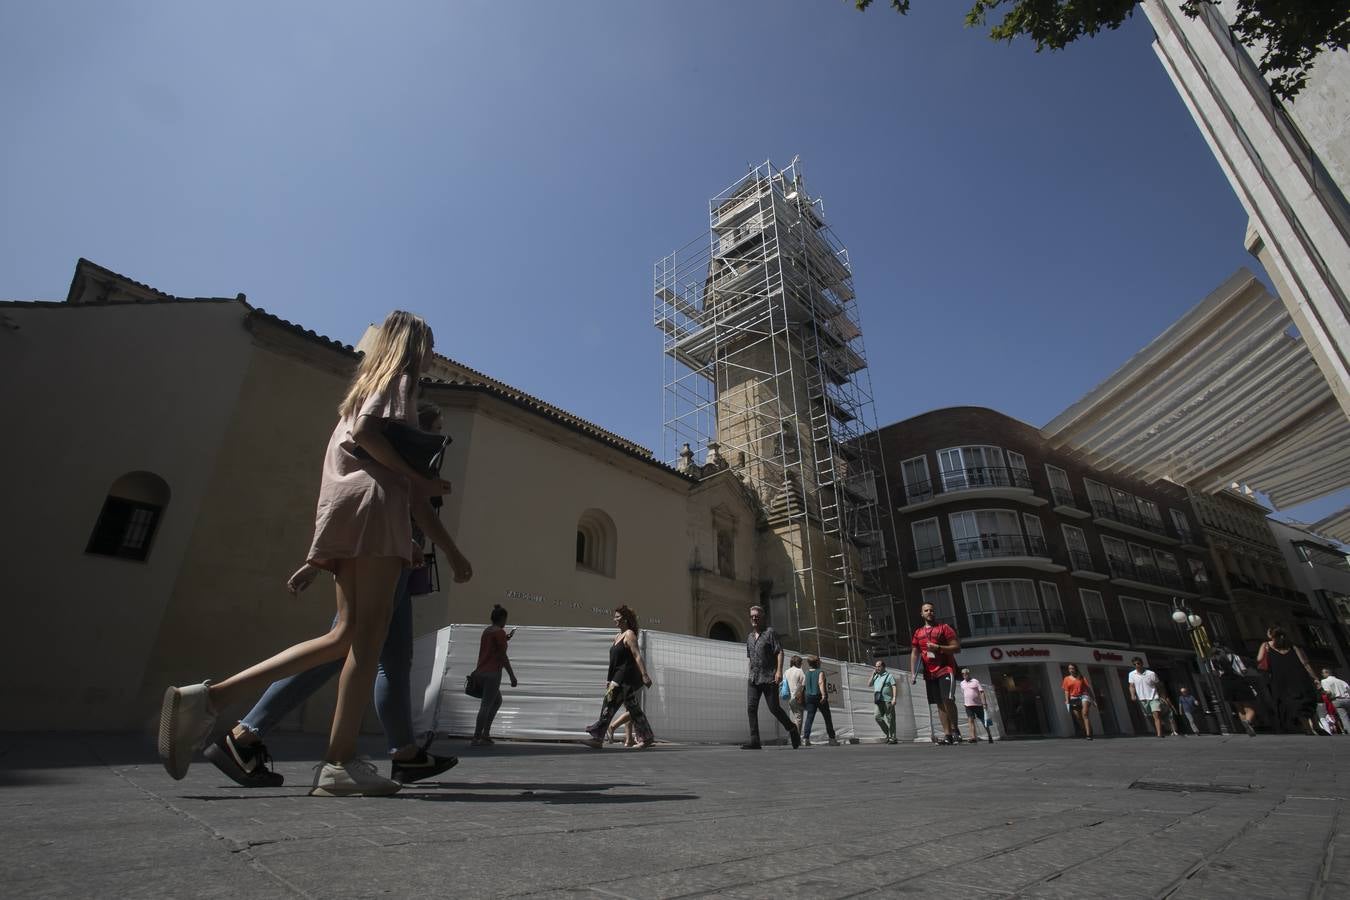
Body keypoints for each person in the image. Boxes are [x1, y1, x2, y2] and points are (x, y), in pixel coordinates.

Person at [158, 311, 466, 797]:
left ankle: (226, 706)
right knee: (366, 645)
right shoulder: (400, 380)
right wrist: (419, 479)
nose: (430, 355)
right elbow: (368, 435)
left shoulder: (364, 383)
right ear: (411, 345)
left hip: (347, 506)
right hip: (375, 507)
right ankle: (246, 715)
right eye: (428, 344)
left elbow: (354, 438)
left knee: (348, 638)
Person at [203, 402, 466, 788]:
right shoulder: (406, 454)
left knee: (392, 660)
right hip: (384, 557)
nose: (438, 437)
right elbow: (414, 507)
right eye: (435, 428)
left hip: (396, 563)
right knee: (344, 648)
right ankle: (244, 734)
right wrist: (455, 555)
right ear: (417, 428)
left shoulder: (392, 452)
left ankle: (406, 754)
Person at [584, 605, 655, 749]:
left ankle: (598, 738)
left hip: (625, 679)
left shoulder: (629, 634)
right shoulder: (617, 636)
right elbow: (613, 662)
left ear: (625, 619)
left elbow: (637, 655)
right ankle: (647, 738)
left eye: (617, 617)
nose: (614, 619)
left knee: (609, 706)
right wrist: (609, 679)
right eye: (614, 616)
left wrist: (644, 675)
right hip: (616, 679)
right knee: (631, 708)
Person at [742, 606, 800, 749]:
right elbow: (751, 657)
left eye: (757, 616)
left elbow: (779, 651)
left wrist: (779, 671)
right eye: (752, 616)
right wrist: (749, 672)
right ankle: (755, 740)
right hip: (754, 679)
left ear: (762, 618)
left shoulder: (770, 633)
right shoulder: (749, 637)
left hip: (769, 677)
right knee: (751, 708)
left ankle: (792, 728)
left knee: (774, 708)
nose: (754, 618)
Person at [910, 602, 961, 745]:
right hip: (929, 672)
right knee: (939, 703)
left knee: (948, 699)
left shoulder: (944, 628)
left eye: (932, 610)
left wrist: (938, 647)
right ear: (922, 614)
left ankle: (955, 729)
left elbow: (957, 648)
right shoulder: (918, 632)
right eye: (926, 610)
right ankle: (947, 735)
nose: (929, 612)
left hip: (946, 668)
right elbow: (914, 653)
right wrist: (913, 673)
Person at [1258, 627, 1320, 735]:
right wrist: (1315, 678)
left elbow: (1259, 659)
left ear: (1270, 635)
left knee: (1293, 702)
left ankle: (1307, 728)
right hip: (1300, 677)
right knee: (1307, 700)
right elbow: (1305, 663)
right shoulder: (1293, 646)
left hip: (1280, 679)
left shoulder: (1266, 645)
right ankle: (1316, 726)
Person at [472, 605, 518, 746]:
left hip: (480, 672)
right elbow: (502, 656)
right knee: (486, 705)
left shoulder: (487, 631)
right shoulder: (499, 633)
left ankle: (485, 734)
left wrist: (506, 638)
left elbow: (493, 647)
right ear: (502, 618)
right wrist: (512, 676)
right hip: (492, 673)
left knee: (496, 701)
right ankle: (477, 737)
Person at [1210, 646, 1258, 736]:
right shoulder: (1234, 656)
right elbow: (1243, 670)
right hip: (1238, 680)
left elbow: (1215, 673)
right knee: (1249, 708)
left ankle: (1247, 727)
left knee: (1239, 708)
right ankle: (1248, 722)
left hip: (1226, 683)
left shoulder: (1213, 660)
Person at [1127, 658, 1170, 738]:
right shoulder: (1131, 674)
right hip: (1142, 698)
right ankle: (1160, 725)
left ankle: (1159, 734)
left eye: (1138, 663)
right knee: (1148, 715)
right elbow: (1131, 686)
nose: (1137, 665)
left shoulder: (1151, 674)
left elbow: (1159, 685)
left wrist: (1163, 696)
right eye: (1135, 664)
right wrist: (1132, 695)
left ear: (1142, 663)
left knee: (1156, 714)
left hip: (1154, 697)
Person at [801, 656, 839, 747]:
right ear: (817, 663)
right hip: (818, 696)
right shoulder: (820, 672)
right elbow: (821, 682)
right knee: (827, 717)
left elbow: (803, 685)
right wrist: (824, 695)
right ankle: (832, 739)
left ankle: (805, 739)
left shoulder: (806, 673)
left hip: (809, 696)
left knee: (809, 718)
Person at [1060, 664, 1095, 741]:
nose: (1071, 670)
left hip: (1084, 696)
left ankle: (1089, 735)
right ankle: (1087, 730)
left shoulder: (1081, 677)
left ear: (1076, 669)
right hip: (1073, 698)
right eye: (1069, 669)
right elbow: (1066, 691)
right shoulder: (1066, 679)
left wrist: (1093, 700)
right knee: (1078, 717)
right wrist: (1067, 700)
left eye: (1072, 668)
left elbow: (1088, 689)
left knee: (1085, 714)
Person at [959, 668, 993, 744]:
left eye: (966, 673)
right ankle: (973, 737)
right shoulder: (962, 683)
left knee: (984, 720)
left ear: (969, 673)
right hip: (968, 705)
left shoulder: (975, 681)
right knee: (970, 720)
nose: (965, 675)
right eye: (963, 674)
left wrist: (984, 703)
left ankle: (990, 735)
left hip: (978, 705)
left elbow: (982, 692)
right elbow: (964, 693)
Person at [869, 659, 898, 744]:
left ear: (883, 667)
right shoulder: (876, 676)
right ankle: (888, 733)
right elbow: (869, 684)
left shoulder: (889, 676)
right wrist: (872, 674)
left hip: (887, 700)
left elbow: (894, 686)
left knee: (890, 719)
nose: (877, 668)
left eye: (879, 666)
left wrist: (894, 698)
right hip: (879, 701)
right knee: (877, 717)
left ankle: (893, 738)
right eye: (876, 666)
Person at [1321, 668, 1350, 734]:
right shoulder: (1341, 681)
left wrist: (1322, 691)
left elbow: (1328, 692)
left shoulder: (1324, 681)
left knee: (1344, 717)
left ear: (1327, 673)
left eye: (1323, 673)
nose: (1322, 674)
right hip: (1348, 699)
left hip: (1337, 700)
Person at [784, 655, 807, 735]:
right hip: (797, 697)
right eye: (801, 662)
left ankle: (794, 736)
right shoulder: (800, 671)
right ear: (798, 662)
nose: (801, 664)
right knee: (798, 718)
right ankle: (796, 738)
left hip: (790, 698)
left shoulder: (786, 671)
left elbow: (784, 684)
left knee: (795, 717)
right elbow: (803, 684)